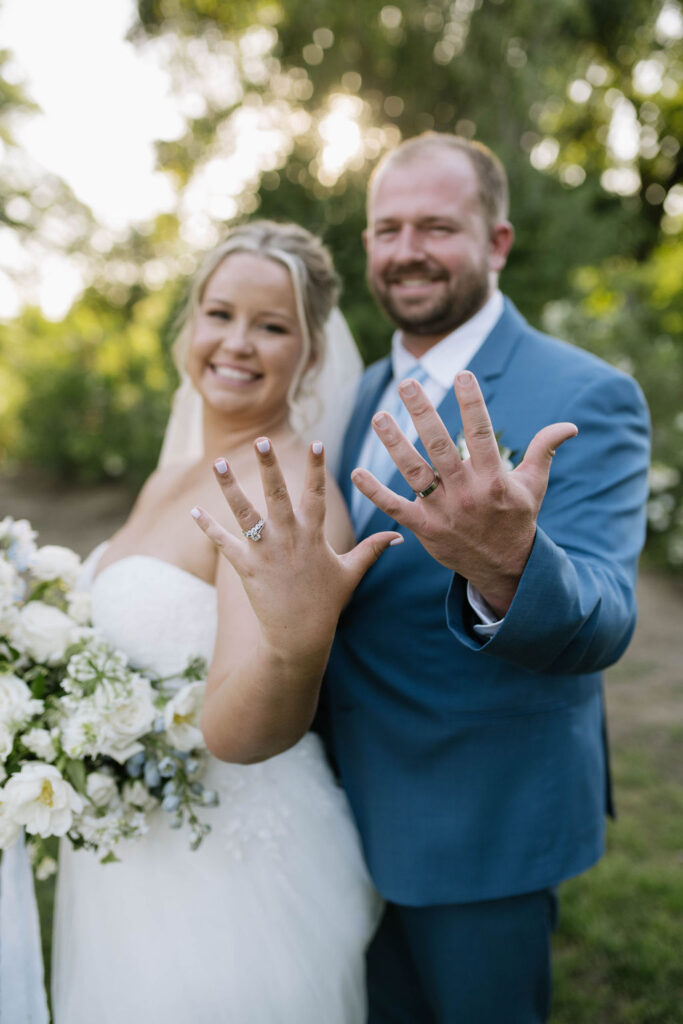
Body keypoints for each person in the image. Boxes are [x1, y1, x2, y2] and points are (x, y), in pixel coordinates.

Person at [196, 135, 651, 1023]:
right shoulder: (356, 389)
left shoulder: (585, 392)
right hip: (336, 809)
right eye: (386, 228)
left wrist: (509, 563)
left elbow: (604, 618)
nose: (406, 250)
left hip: (482, 818)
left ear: (497, 242)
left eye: (437, 226)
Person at [51, 221, 396, 1024]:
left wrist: (293, 641)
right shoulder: (168, 476)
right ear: (189, 328)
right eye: (218, 313)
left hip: (229, 872)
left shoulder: (283, 499)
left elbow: (243, 733)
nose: (237, 343)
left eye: (272, 326)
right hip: (129, 851)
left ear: (309, 354)